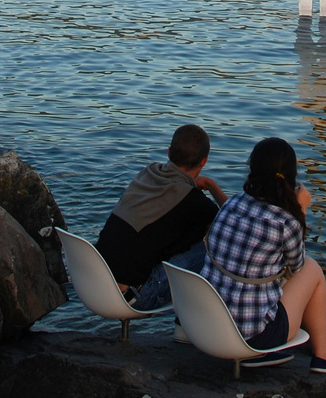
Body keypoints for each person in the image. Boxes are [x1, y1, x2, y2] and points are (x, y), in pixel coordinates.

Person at [201, 137, 326, 374]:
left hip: (207, 325)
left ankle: (256, 355)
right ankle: (324, 357)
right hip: (251, 336)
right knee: (312, 269)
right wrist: (300, 211)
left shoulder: (233, 204)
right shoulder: (285, 223)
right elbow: (296, 267)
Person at [96, 124, 227, 312]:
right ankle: (190, 325)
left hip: (94, 283)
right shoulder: (194, 202)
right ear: (204, 161)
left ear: (169, 152)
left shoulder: (147, 173)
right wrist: (211, 185)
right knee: (214, 246)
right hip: (133, 297)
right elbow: (234, 221)